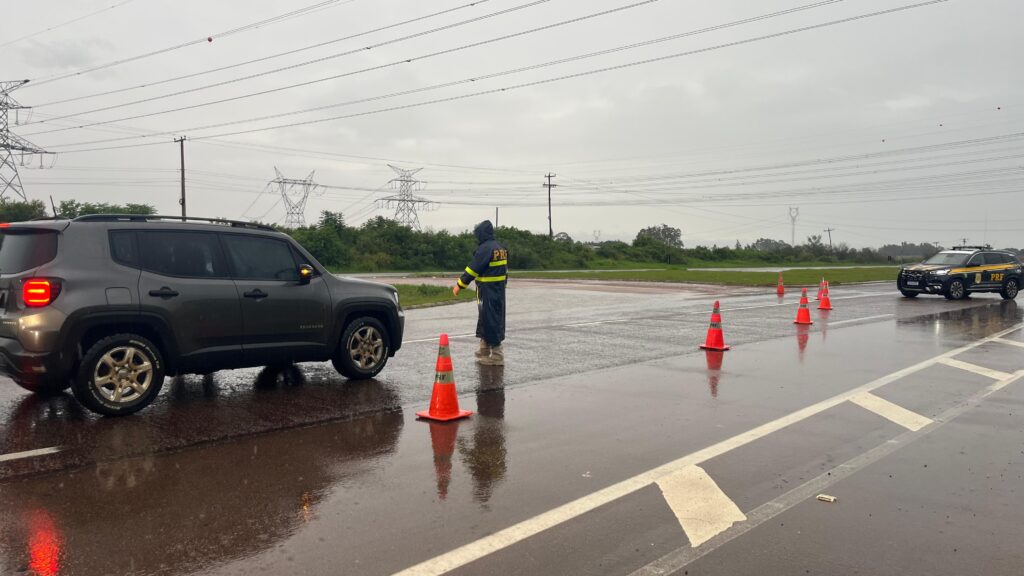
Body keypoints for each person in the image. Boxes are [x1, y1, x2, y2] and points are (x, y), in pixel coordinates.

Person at [453, 220, 508, 365]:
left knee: (490, 319)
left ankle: (497, 355)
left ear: (481, 234)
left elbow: (472, 269)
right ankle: (484, 349)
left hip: (487, 289)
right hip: (498, 289)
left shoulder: (485, 248)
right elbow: (505, 271)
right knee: (488, 317)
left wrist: (460, 285)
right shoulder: (500, 247)